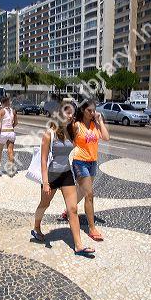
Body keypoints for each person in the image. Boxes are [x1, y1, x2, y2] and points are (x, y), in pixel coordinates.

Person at [31, 103, 95, 257]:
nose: (70, 116)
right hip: (52, 175)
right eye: (67, 113)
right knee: (45, 204)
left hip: (66, 173)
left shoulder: (72, 131)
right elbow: (43, 160)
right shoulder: (49, 133)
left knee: (73, 209)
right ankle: (37, 227)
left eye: (72, 113)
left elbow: (89, 136)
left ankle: (78, 246)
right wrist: (45, 182)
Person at [62, 98, 110, 241]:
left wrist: (100, 121)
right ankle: (92, 228)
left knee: (83, 192)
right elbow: (65, 131)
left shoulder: (95, 125)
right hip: (80, 162)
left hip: (92, 163)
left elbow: (106, 137)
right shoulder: (77, 125)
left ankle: (68, 210)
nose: (92, 113)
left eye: (94, 110)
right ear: (83, 110)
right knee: (89, 194)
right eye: (90, 110)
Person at [0, 96, 18, 176]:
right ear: (8, 102)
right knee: (10, 151)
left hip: (3, 133)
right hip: (11, 132)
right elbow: (16, 123)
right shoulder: (13, 111)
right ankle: (11, 171)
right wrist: (11, 127)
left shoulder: (1, 111)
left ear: (2, 103)